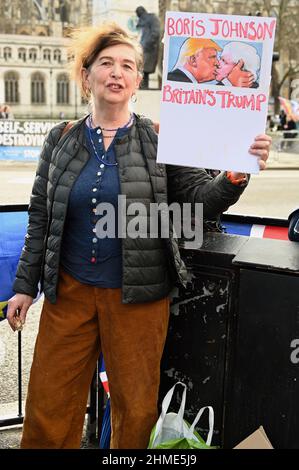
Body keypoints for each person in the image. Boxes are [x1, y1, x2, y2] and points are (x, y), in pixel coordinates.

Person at [7, 22, 271, 449]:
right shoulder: (60, 139)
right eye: (106, 63)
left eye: (127, 65)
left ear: (138, 80)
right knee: (48, 404)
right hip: (68, 295)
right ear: (86, 74)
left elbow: (198, 203)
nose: (116, 73)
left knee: (136, 409)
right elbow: (40, 218)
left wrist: (234, 176)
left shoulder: (161, 138)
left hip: (140, 298)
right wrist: (24, 286)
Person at [136, 6, 160, 89]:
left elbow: (155, 33)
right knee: (141, 67)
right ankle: (142, 86)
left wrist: (147, 44)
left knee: (145, 68)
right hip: (142, 47)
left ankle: (144, 86)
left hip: (149, 48)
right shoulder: (142, 20)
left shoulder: (152, 18)